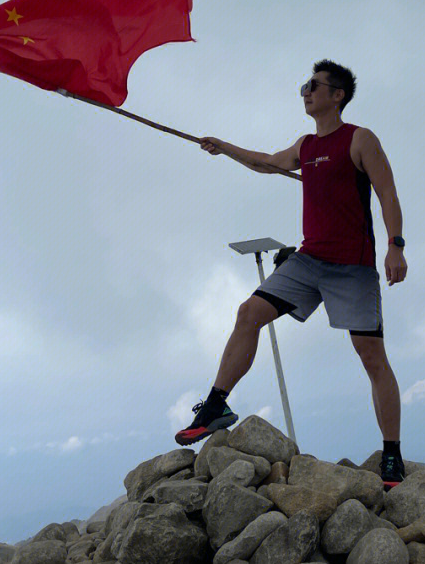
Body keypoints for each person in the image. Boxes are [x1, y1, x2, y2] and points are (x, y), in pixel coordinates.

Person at [175, 60, 409, 489]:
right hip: (307, 260)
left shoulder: (360, 139)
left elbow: (387, 192)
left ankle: (392, 454)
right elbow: (266, 163)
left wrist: (396, 245)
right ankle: (215, 406)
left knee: (371, 356)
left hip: (351, 268)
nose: (305, 91)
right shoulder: (305, 145)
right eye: (305, 85)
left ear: (336, 95)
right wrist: (224, 147)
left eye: (313, 85)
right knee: (249, 313)